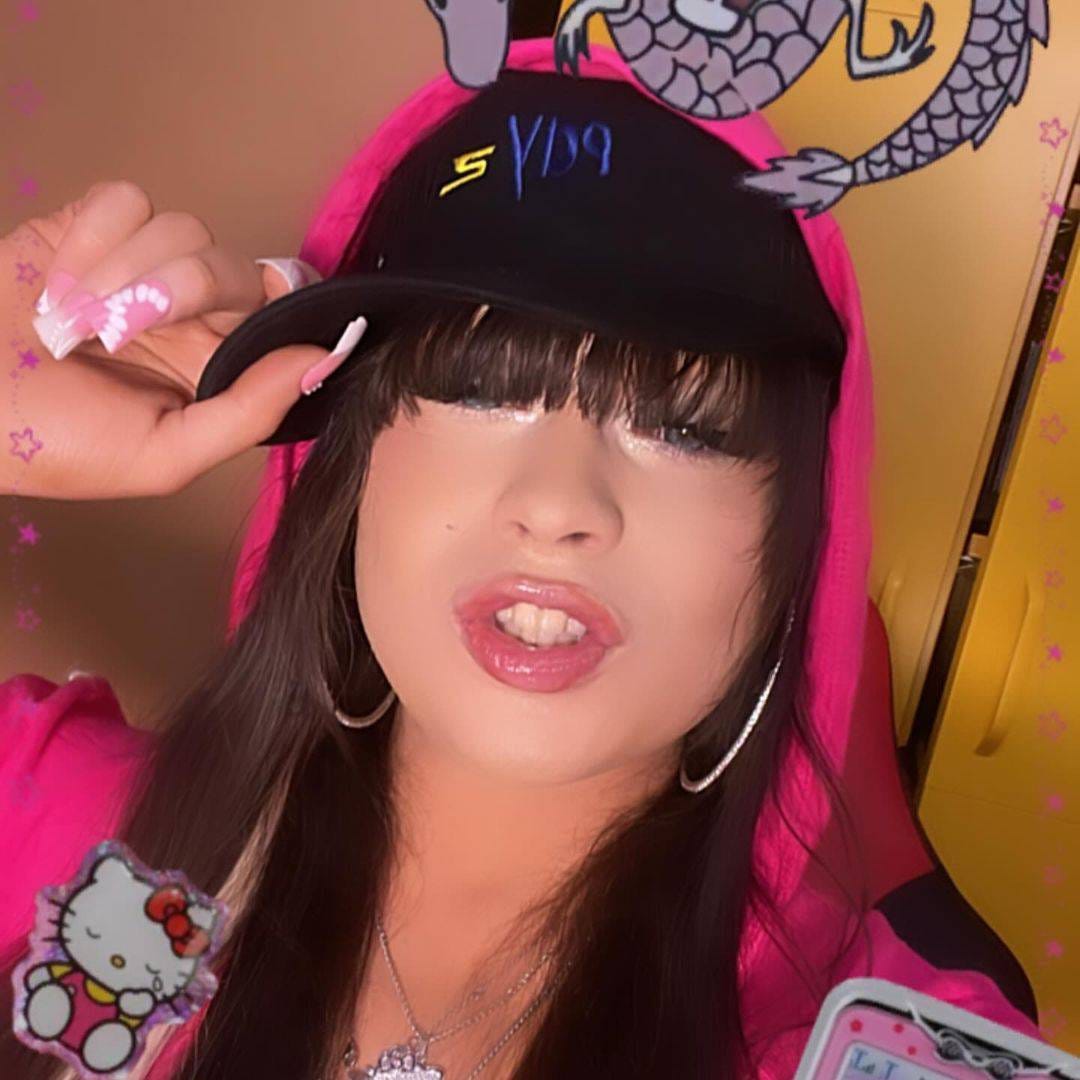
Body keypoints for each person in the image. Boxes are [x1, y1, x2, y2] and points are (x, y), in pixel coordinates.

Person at [0, 37, 1046, 1080]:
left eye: (684, 428)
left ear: (796, 541)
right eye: (479, 388)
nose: (558, 505)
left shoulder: (872, 1053)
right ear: (352, 469)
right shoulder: (86, 845)